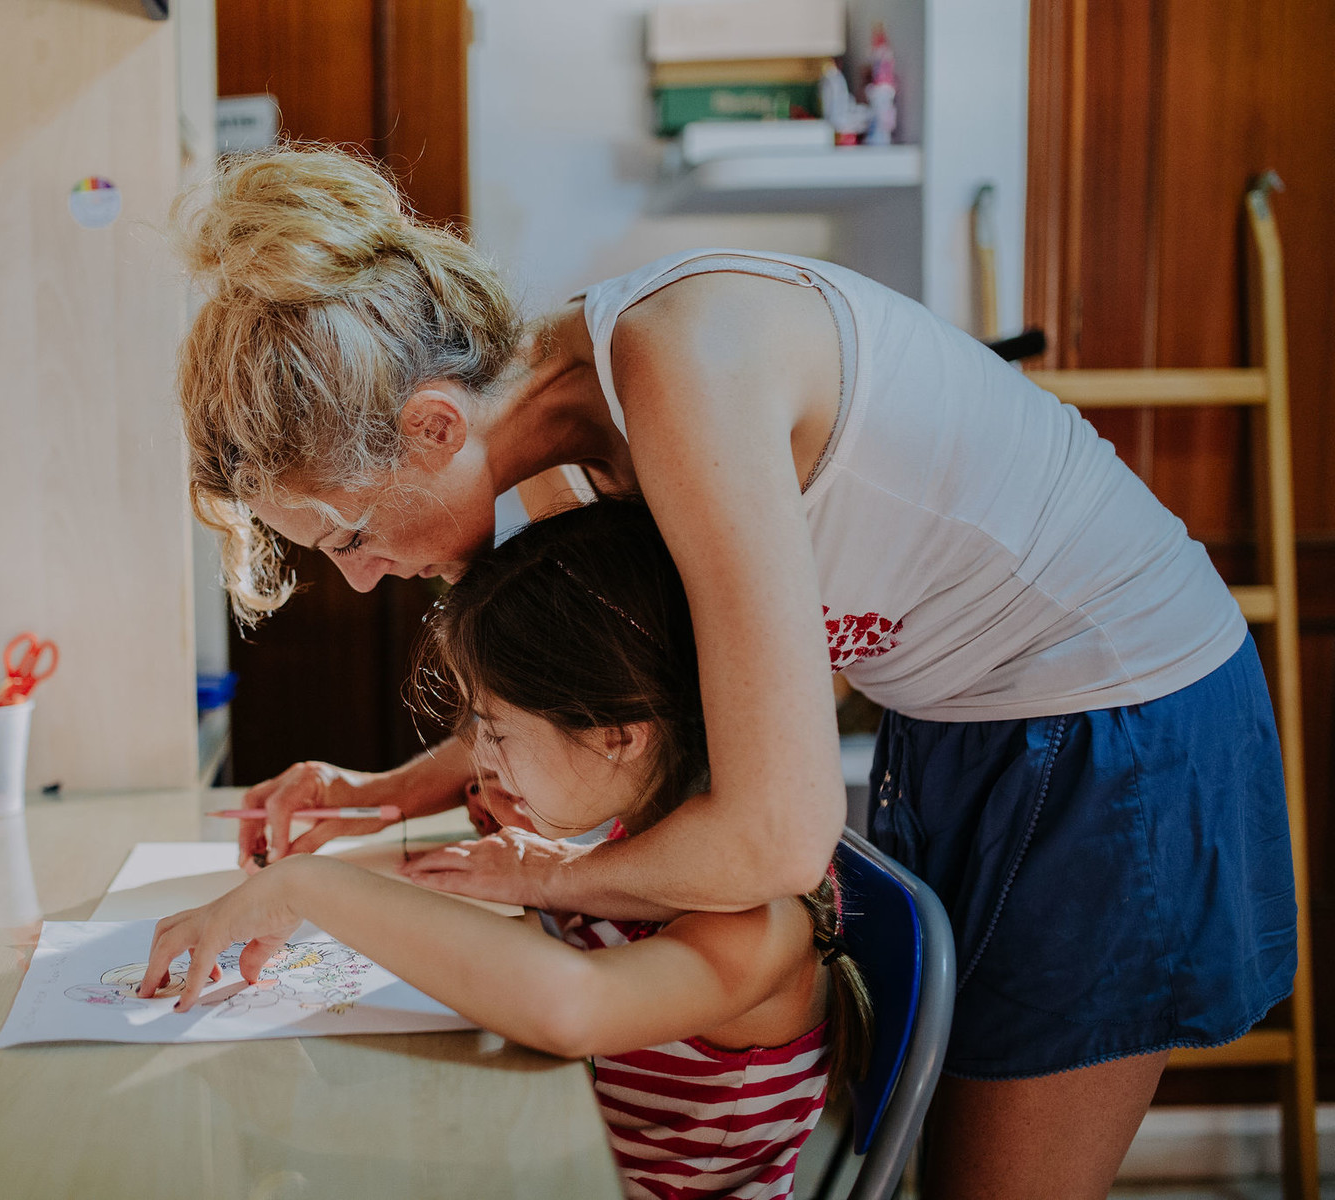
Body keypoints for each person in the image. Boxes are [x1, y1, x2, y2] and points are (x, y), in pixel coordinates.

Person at [171, 146, 1295, 1198]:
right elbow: (607, 701)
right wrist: (392, 790)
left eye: (347, 536)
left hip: (1115, 711)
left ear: (428, 428)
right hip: (962, 713)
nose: (363, 578)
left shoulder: (679, 372)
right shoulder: (564, 433)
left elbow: (773, 839)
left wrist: (537, 881)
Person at [145, 500, 872, 1200]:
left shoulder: (760, 925)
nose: (481, 763)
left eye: (495, 731)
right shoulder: (637, 849)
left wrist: (304, 888)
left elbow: (573, 1007)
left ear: (617, 734)